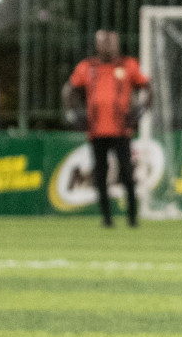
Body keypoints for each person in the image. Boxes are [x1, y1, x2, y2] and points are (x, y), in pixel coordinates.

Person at [62, 31, 151, 228]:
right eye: (104, 43)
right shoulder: (88, 67)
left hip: (121, 131)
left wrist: (139, 114)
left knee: (127, 173)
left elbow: (148, 87)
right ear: (97, 45)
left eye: (111, 43)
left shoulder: (128, 65)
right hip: (96, 131)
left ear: (117, 45)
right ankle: (107, 218)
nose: (108, 47)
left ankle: (132, 217)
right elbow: (69, 90)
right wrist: (74, 115)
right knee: (100, 175)